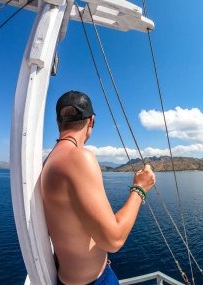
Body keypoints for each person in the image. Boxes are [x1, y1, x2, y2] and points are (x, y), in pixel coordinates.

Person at [41, 90, 155, 285]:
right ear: (91, 121)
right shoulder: (78, 157)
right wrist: (140, 188)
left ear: (59, 122)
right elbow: (113, 240)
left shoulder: (49, 161)